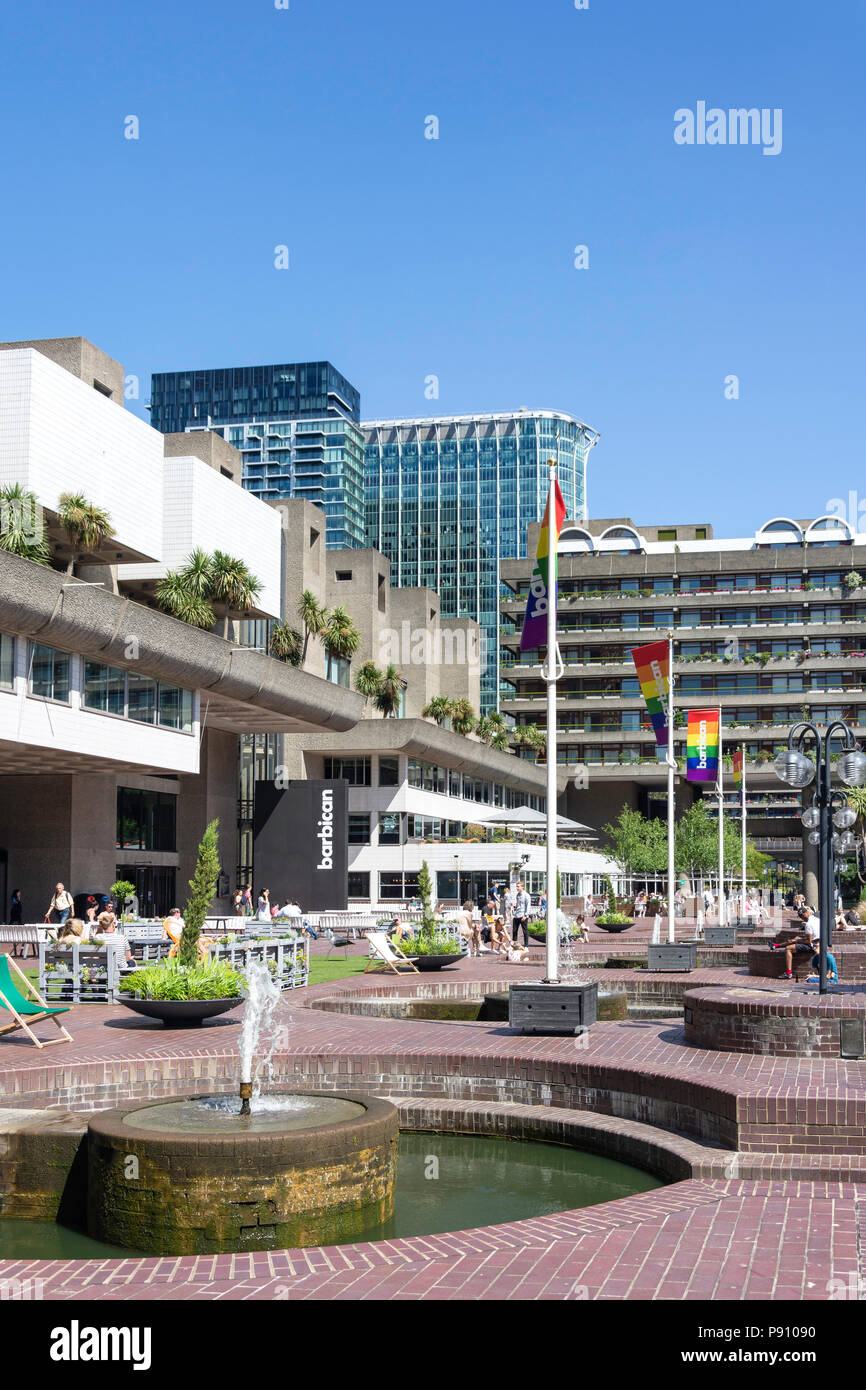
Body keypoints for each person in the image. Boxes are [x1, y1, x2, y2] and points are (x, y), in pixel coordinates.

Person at [772, 906, 820, 980]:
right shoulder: (817, 919)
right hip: (819, 941)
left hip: (812, 945)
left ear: (805, 914)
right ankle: (776, 945)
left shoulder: (808, 924)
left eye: (801, 916)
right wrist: (797, 940)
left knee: (788, 949)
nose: (801, 918)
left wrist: (796, 941)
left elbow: (808, 941)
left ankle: (788, 973)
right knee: (796, 938)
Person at [512, 880, 531, 948]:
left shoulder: (526, 895)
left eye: (518, 887)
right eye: (516, 887)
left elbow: (528, 905)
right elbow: (518, 905)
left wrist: (526, 915)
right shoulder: (517, 895)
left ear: (522, 887)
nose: (517, 888)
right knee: (514, 931)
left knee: (525, 931)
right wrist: (515, 906)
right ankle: (514, 945)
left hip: (523, 915)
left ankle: (526, 946)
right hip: (517, 915)